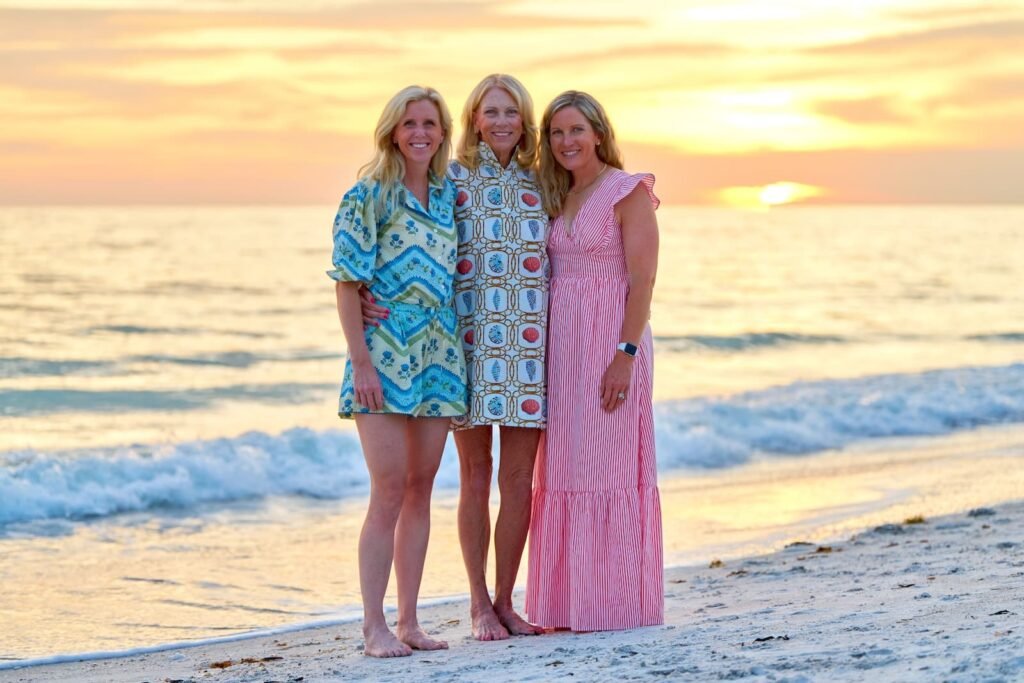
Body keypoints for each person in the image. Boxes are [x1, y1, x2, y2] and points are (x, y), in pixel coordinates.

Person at [361, 74, 548, 640]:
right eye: (490, 111)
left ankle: (506, 599)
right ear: (472, 119)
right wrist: (367, 290)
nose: (501, 121)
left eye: (511, 112)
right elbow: (404, 231)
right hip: (460, 349)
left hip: (528, 348)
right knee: (474, 475)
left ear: (525, 120)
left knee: (519, 480)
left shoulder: (545, 184)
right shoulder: (451, 179)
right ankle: (476, 603)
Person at [328, 85, 467, 657]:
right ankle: (373, 627)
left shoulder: (446, 195)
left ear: (442, 132)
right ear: (392, 130)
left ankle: (409, 622)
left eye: (430, 123)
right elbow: (346, 282)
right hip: (384, 351)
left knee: (420, 488)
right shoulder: (368, 195)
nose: (420, 132)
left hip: (438, 350)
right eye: (410, 122)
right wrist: (361, 362)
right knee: (387, 489)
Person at [525, 90, 663, 631]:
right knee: (562, 469)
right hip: (561, 353)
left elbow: (643, 280)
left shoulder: (626, 191)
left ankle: (618, 604)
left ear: (599, 133)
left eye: (576, 130)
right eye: (556, 133)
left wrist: (625, 355)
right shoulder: (556, 192)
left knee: (609, 469)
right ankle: (567, 604)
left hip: (612, 344)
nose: (566, 142)